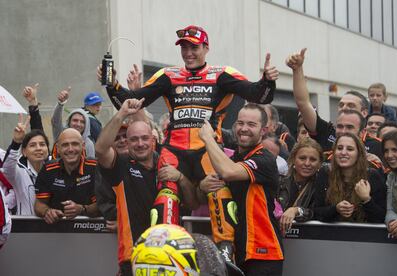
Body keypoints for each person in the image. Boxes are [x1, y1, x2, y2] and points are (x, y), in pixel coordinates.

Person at [99, 25, 279, 258]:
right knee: (166, 194)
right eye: (184, 47)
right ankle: (163, 248)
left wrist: (267, 80)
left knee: (218, 188)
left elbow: (258, 95)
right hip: (175, 151)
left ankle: (225, 249)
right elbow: (132, 102)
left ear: (206, 48)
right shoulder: (168, 76)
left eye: (194, 47)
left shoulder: (221, 74)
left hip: (207, 149)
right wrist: (111, 84)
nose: (188, 53)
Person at [95, 99, 198, 276]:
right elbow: (101, 150)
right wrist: (121, 113)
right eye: (134, 139)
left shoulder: (168, 162)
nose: (140, 143)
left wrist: (180, 178)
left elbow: (192, 203)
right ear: (127, 143)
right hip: (133, 256)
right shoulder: (121, 165)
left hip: (173, 256)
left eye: (144, 138)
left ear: (153, 139)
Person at [199, 103, 284, 276]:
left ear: (263, 130)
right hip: (237, 252)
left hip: (263, 252)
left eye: (251, 125)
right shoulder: (234, 158)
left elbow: (228, 172)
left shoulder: (264, 158)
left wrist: (208, 138)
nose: (244, 128)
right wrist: (202, 186)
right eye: (240, 123)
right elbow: (198, 198)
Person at [286, 49, 382, 159]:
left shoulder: (378, 146)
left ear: (364, 112)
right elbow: (303, 103)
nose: (344, 108)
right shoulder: (327, 132)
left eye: (351, 106)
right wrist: (297, 69)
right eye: (341, 105)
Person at [312, 133, 386, 223]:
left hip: (363, 234)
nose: (343, 152)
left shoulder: (372, 176)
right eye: (339, 148)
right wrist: (335, 209)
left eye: (350, 149)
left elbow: (381, 217)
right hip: (331, 234)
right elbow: (316, 212)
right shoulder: (325, 172)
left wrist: (366, 199)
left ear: (359, 154)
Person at [34, 128, 99, 224]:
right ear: (58, 149)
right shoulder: (48, 169)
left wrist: (82, 209)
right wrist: (47, 212)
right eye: (65, 145)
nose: (70, 149)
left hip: (90, 231)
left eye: (75, 144)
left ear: (83, 146)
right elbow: (39, 204)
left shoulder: (95, 168)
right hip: (57, 231)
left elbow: (104, 204)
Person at [2, 115, 49, 215]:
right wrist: (16, 142)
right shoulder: (19, 173)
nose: (38, 148)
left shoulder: (54, 170)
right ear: (24, 152)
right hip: (26, 227)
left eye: (42, 144)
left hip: (52, 226)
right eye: (32, 145)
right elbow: (7, 168)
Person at [278, 137, 323, 234]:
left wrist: (296, 210)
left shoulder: (322, 186)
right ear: (294, 159)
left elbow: (316, 212)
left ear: (319, 164)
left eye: (313, 159)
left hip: (307, 238)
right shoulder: (279, 180)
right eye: (302, 158)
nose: (307, 163)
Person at [51, 87, 95, 157]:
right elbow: (55, 121)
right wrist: (61, 103)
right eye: (75, 120)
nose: (78, 124)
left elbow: (91, 166)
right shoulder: (61, 135)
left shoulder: (88, 144)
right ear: (69, 122)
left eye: (82, 122)